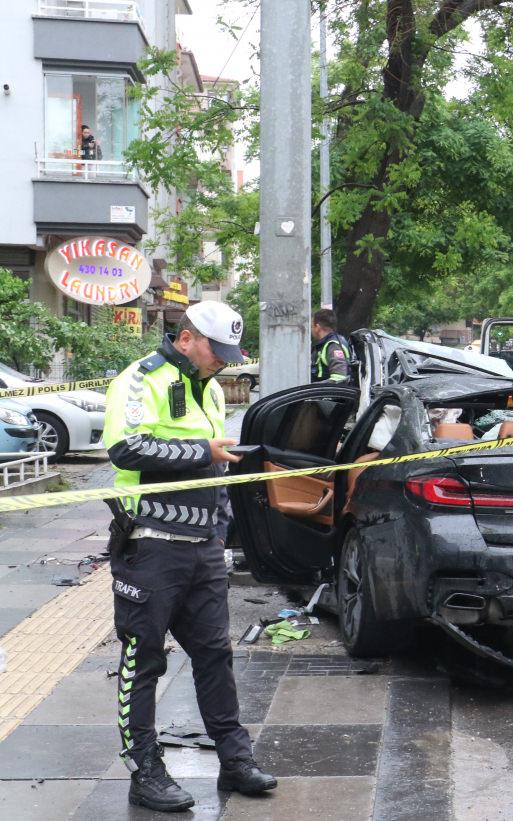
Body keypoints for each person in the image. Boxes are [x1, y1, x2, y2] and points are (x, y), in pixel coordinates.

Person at [102, 301, 276, 812]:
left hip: (203, 549)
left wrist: (222, 528)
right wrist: (205, 453)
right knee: (143, 659)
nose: (221, 362)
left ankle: (235, 759)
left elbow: (215, 470)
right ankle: (145, 771)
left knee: (215, 656)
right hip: (150, 547)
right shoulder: (141, 380)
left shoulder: (213, 387)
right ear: (185, 340)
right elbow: (126, 449)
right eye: (215, 351)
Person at [311, 308, 352, 383]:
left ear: (317, 327)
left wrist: (311, 387)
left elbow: (339, 378)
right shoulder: (323, 345)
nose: (311, 330)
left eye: (312, 326)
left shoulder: (334, 345)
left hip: (329, 394)